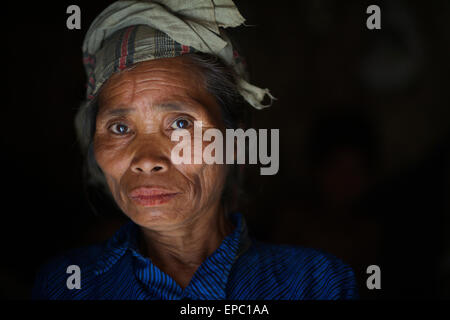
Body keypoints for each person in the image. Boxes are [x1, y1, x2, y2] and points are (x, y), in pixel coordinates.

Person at [32, 0, 358, 300]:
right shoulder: (68, 286)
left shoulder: (316, 283)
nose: (146, 160)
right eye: (119, 128)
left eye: (179, 124)